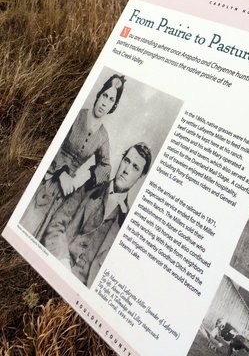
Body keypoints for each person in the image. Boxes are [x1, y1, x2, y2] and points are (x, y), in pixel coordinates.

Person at [20, 74, 126, 240]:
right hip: (46, 178)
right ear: (99, 94)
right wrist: (61, 173)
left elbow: (106, 168)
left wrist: (82, 178)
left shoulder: (103, 136)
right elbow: (53, 142)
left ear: (114, 105)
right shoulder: (77, 115)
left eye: (111, 99)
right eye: (105, 95)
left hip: (64, 194)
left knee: (41, 236)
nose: (105, 102)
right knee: (25, 223)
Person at [42, 142, 152, 287]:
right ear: (121, 160)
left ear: (141, 177)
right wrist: (62, 260)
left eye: (135, 167)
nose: (126, 170)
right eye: (127, 161)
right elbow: (57, 224)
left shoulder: (127, 221)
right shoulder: (91, 187)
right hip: (57, 264)